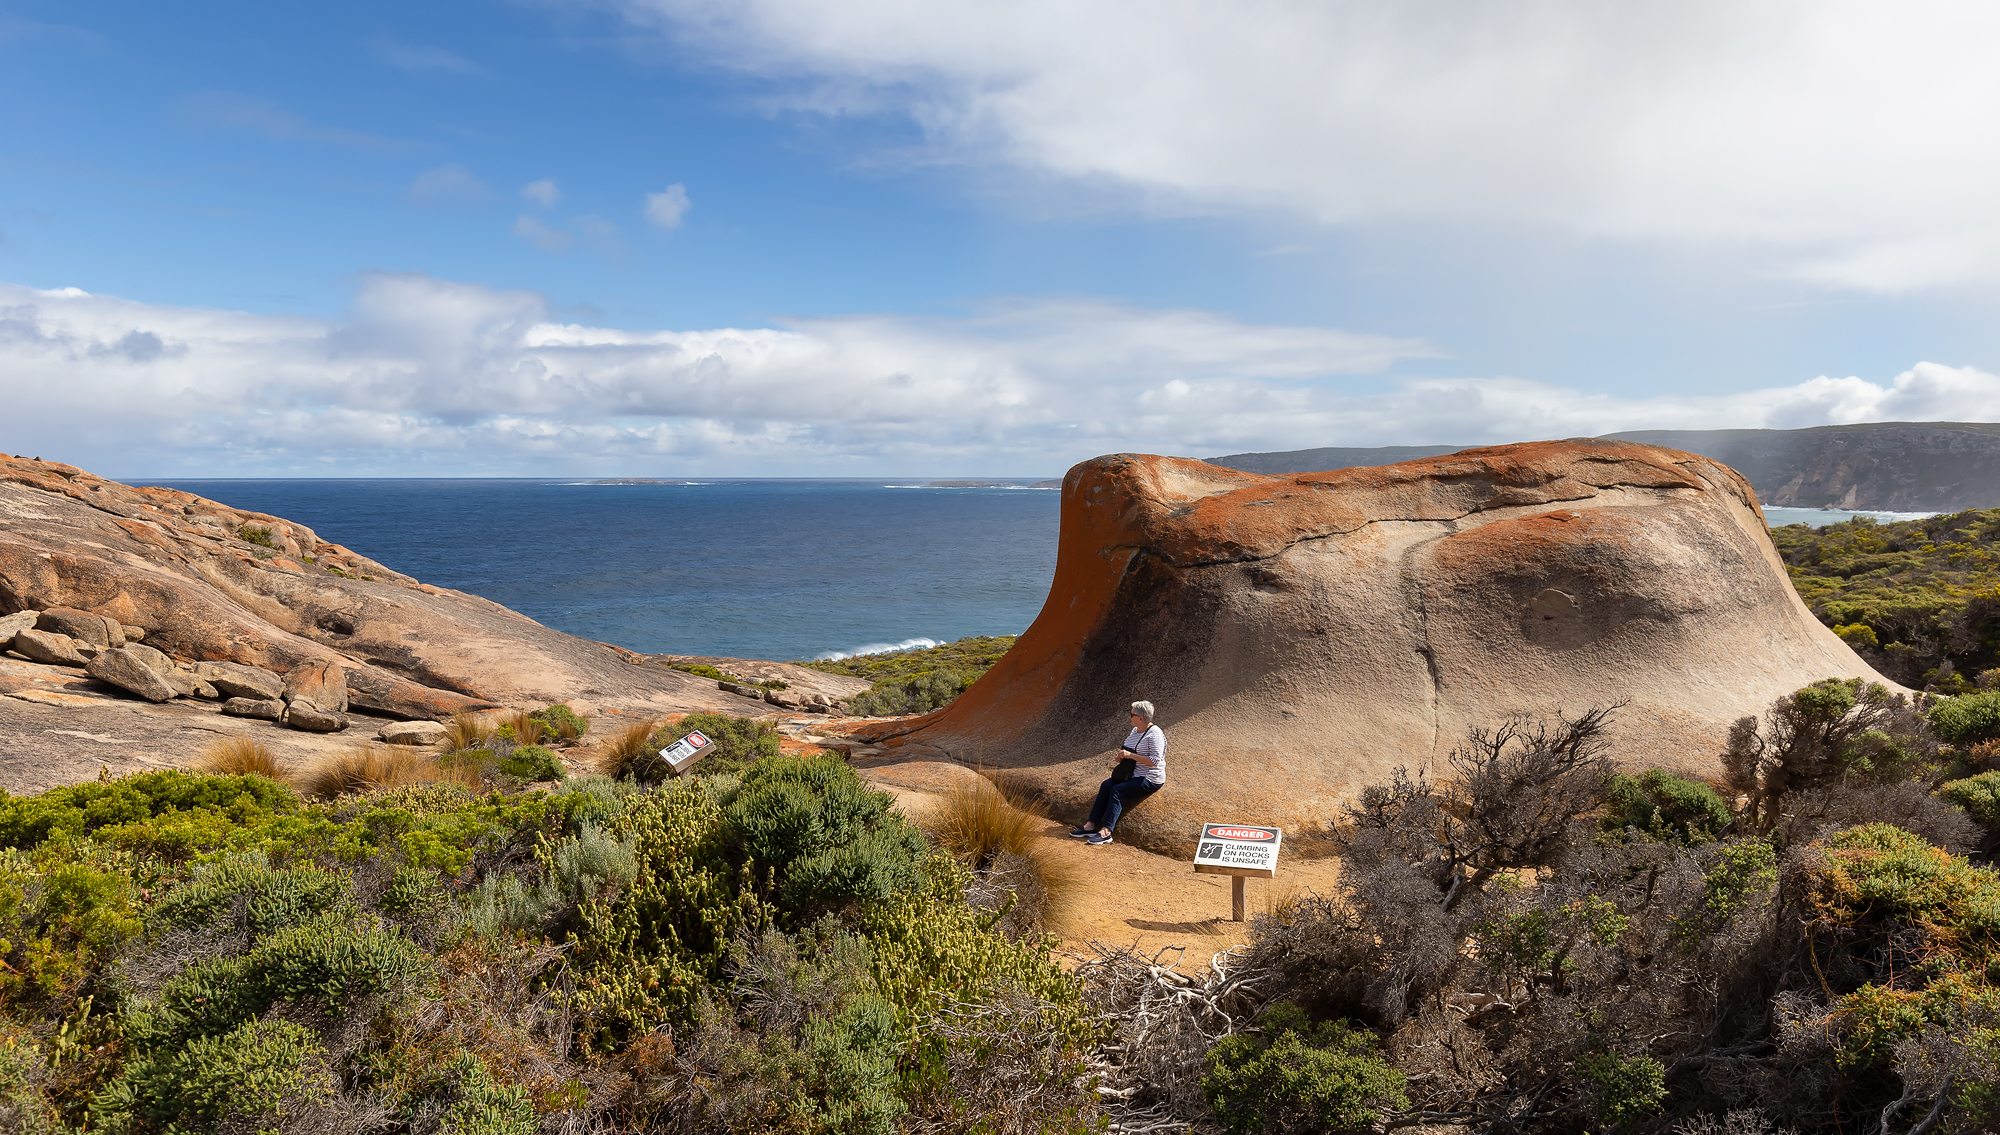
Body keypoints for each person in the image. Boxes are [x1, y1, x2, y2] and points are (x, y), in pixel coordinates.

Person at [1070, 700, 1165, 846]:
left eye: (1131, 714)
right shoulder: (1135, 731)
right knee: (1106, 785)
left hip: (1150, 778)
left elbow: (1154, 761)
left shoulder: (1155, 734)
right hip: (1132, 774)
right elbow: (1129, 750)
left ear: (1141, 718)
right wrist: (1121, 757)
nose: (1129, 717)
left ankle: (1106, 832)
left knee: (1117, 790)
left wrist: (1130, 755)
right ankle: (1090, 826)